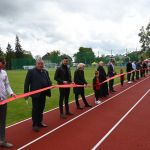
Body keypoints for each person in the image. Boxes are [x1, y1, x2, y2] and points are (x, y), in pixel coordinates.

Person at [24, 58, 52, 132]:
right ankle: (35, 125)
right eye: (39, 64)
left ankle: (40, 122)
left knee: (41, 108)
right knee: (35, 109)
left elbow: (48, 80)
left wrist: (50, 84)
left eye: (42, 64)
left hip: (43, 93)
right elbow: (27, 83)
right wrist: (26, 93)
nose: (40, 65)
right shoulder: (31, 71)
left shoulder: (45, 72)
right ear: (36, 64)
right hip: (35, 94)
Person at [0, 58, 15, 148]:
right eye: (3, 63)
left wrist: (11, 93)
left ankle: (2, 140)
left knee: (2, 121)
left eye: (4, 64)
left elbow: (7, 85)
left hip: (3, 101)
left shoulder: (4, 73)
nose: (4, 65)